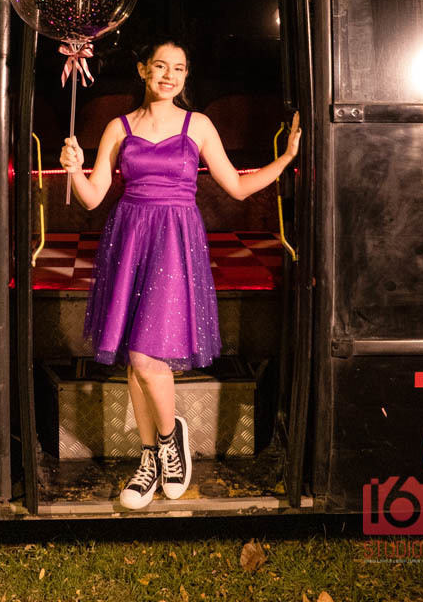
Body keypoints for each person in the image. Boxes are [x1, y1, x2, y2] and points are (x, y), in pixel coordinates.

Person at [59, 39, 301, 510]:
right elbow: (91, 198)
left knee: (147, 357)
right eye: (160, 66)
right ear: (143, 70)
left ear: (186, 76)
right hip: (129, 239)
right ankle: (150, 458)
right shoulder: (119, 127)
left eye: (179, 68)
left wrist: (286, 159)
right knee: (136, 360)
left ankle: (171, 440)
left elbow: (237, 187)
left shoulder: (199, 125)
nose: (169, 75)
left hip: (174, 241)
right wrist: (74, 169)